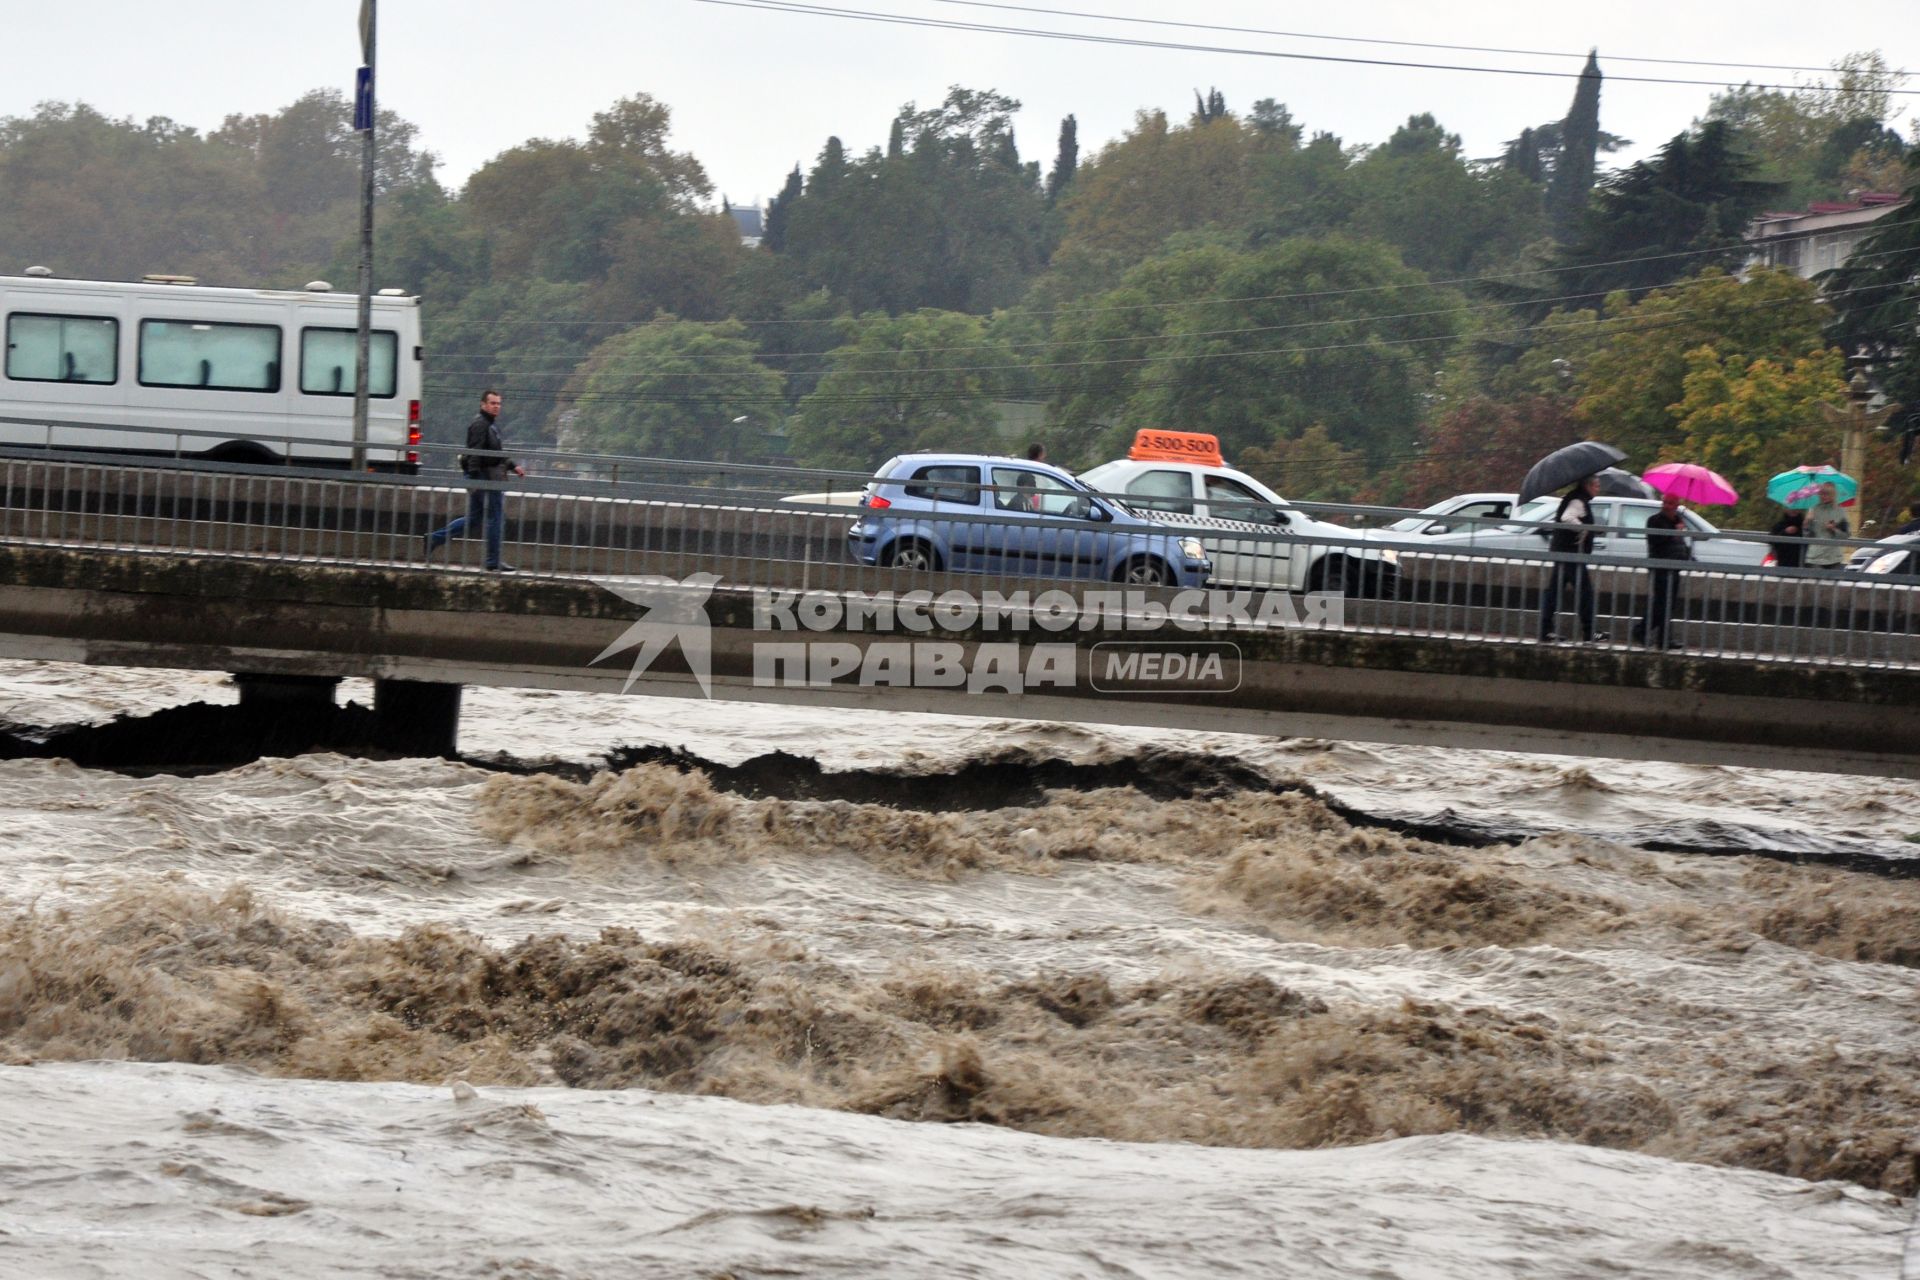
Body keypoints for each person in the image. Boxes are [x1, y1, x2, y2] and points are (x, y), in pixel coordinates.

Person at [425, 389, 525, 571]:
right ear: (483, 404)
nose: (496, 407)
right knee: (496, 517)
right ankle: (493, 561)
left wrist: (512, 465)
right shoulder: (480, 424)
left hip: (484, 476)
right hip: (483, 477)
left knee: (474, 519)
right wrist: (473, 478)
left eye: (498, 403)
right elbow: (475, 452)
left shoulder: (491, 425)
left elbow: (496, 454)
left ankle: (435, 538)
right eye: (493, 403)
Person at [1538, 475, 1598, 643]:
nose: (1597, 489)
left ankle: (1545, 630)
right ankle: (1589, 632)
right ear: (1587, 486)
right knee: (1585, 593)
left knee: (1554, 592)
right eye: (1596, 485)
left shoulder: (1577, 497)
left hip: (1564, 553)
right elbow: (1567, 518)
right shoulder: (1578, 500)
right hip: (1571, 554)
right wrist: (1583, 529)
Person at [1632, 490, 1691, 648]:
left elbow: (1680, 545)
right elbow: (1657, 540)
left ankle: (1664, 640)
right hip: (1660, 567)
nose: (1666, 506)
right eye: (1664, 502)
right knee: (1661, 604)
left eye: (1670, 503)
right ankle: (1641, 630)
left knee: (1668, 605)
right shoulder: (1655, 520)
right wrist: (1675, 532)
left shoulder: (1678, 521)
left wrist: (1688, 557)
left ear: (1676, 506)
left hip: (1674, 567)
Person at [1803, 481, 1851, 569]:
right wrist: (1807, 523)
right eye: (1821, 494)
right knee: (1814, 582)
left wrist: (1833, 530)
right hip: (1815, 557)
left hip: (1834, 557)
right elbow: (1806, 535)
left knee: (1833, 582)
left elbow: (1846, 535)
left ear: (1833, 495)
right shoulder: (1813, 509)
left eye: (1826, 494)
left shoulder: (1840, 511)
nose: (1823, 496)